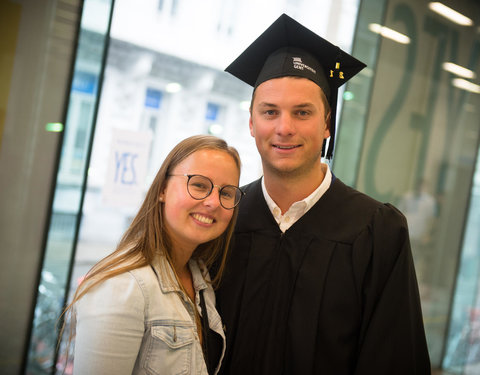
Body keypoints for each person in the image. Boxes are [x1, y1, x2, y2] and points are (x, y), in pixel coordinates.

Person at [216, 14, 431, 374]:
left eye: (302, 112)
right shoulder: (224, 216)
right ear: (251, 123)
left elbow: (394, 356)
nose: (284, 127)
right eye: (270, 112)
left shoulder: (376, 231)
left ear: (327, 123)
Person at [65, 135, 244, 375]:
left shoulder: (201, 279)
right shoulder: (122, 286)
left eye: (226, 193)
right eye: (199, 185)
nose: (213, 202)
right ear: (162, 189)